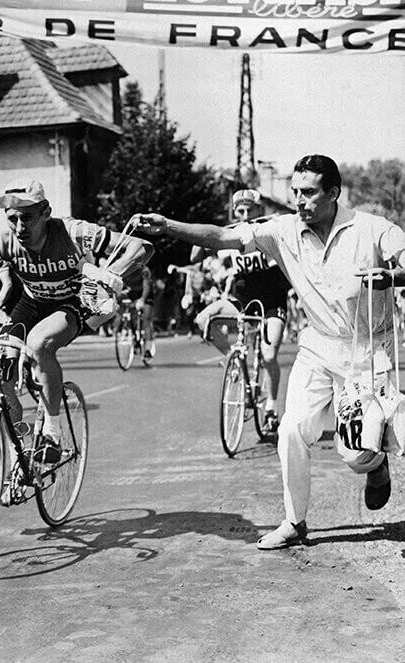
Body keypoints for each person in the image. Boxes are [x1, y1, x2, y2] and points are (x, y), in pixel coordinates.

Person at [134, 154, 404, 550]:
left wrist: (394, 275)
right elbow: (220, 237)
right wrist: (167, 226)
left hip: (368, 351)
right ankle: (295, 522)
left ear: (333, 193)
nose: (299, 200)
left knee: (354, 451)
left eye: (309, 193)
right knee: (291, 429)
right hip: (316, 346)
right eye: (295, 192)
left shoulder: (372, 229)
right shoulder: (282, 230)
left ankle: (375, 466)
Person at [0, 179, 153, 466]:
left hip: (74, 301)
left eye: (28, 218)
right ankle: (17, 454)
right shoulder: (0, 240)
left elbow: (142, 246)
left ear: (46, 212)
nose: (20, 227)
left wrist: (113, 273)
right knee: (3, 373)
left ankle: (52, 432)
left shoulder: (74, 232)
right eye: (13, 219)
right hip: (33, 301)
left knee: (40, 343)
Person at [192, 189, 292, 436]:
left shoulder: (270, 228)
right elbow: (195, 256)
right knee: (203, 319)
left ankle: (270, 408)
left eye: (250, 210)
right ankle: (231, 359)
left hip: (272, 301)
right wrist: (208, 235)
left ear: (260, 210)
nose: (246, 215)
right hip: (241, 298)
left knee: (268, 356)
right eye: (240, 211)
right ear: (234, 212)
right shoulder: (230, 232)